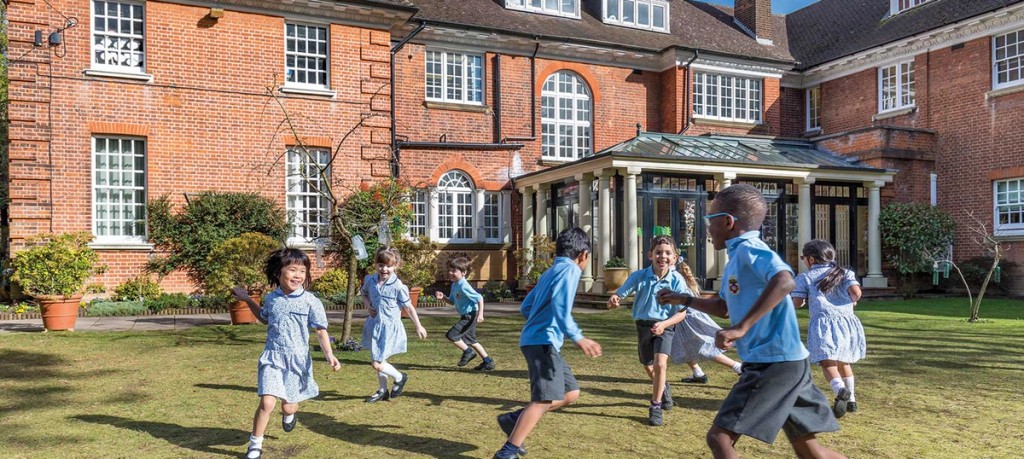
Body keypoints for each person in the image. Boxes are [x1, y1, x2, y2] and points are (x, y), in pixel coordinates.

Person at [657, 184, 846, 459]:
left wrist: (740, 328)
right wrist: (682, 299)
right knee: (810, 450)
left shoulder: (749, 250)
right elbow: (723, 307)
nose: (707, 228)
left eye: (710, 219)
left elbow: (784, 280)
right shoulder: (736, 258)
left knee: (719, 438)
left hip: (772, 363)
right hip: (789, 362)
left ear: (728, 222)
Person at [493, 228, 602, 459]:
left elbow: (526, 307)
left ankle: (513, 419)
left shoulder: (550, 271)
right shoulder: (571, 270)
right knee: (542, 400)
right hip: (543, 342)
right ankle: (507, 452)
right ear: (583, 255)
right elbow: (561, 308)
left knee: (570, 393)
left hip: (541, 341)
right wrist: (578, 337)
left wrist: (539, 323)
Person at [231, 248, 341, 459]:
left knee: (289, 406)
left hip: (298, 361)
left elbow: (320, 329)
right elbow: (264, 318)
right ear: (278, 273)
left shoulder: (311, 301)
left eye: (302, 271)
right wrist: (247, 299)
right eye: (292, 270)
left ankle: (290, 414)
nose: (298, 275)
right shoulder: (272, 298)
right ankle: (255, 445)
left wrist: (329, 355)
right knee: (267, 403)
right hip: (272, 357)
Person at [607, 235, 689, 426]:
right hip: (643, 326)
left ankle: (655, 406)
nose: (663, 256)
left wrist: (664, 324)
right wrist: (614, 300)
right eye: (658, 252)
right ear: (650, 255)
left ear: (675, 258)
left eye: (668, 253)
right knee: (648, 365)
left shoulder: (676, 280)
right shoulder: (639, 276)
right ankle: (664, 387)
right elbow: (618, 295)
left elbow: (683, 314)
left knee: (661, 365)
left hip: (665, 326)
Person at [792, 239, 866, 418]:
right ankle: (852, 401)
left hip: (823, 324)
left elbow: (797, 302)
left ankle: (840, 390)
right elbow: (856, 293)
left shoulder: (805, 278)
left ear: (811, 259)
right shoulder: (845, 272)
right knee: (844, 361)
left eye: (803, 257)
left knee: (827, 361)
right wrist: (852, 301)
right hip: (848, 323)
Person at [360, 246, 428, 403]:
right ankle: (383, 391)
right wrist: (368, 304)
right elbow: (363, 293)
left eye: (388, 266)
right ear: (375, 264)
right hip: (374, 325)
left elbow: (409, 307)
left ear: (396, 265)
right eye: (381, 265)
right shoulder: (370, 280)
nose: (384, 269)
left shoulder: (398, 286)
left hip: (389, 328)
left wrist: (418, 325)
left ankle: (400, 377)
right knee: (379, 358)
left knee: (377, 363)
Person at [669, 262, 745, 385]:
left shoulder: (675, 282)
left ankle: (737, 366)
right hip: (682, 320)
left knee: (704, 347)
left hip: (687, 319)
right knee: (684, 346)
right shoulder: (683, 284)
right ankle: (698, 373)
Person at [435, 256, 495, 371]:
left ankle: (468, 352)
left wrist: (481, 314)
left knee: (452, 335)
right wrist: (443, 298)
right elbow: (452, 302)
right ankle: (488, 362)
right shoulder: (455, 284)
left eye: (454, 271)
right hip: (467, 315)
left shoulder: (463, 285)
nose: (451, 273)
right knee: (472, 340)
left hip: (470, 315)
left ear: (463, 273)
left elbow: (479, 298)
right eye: (450, 270)